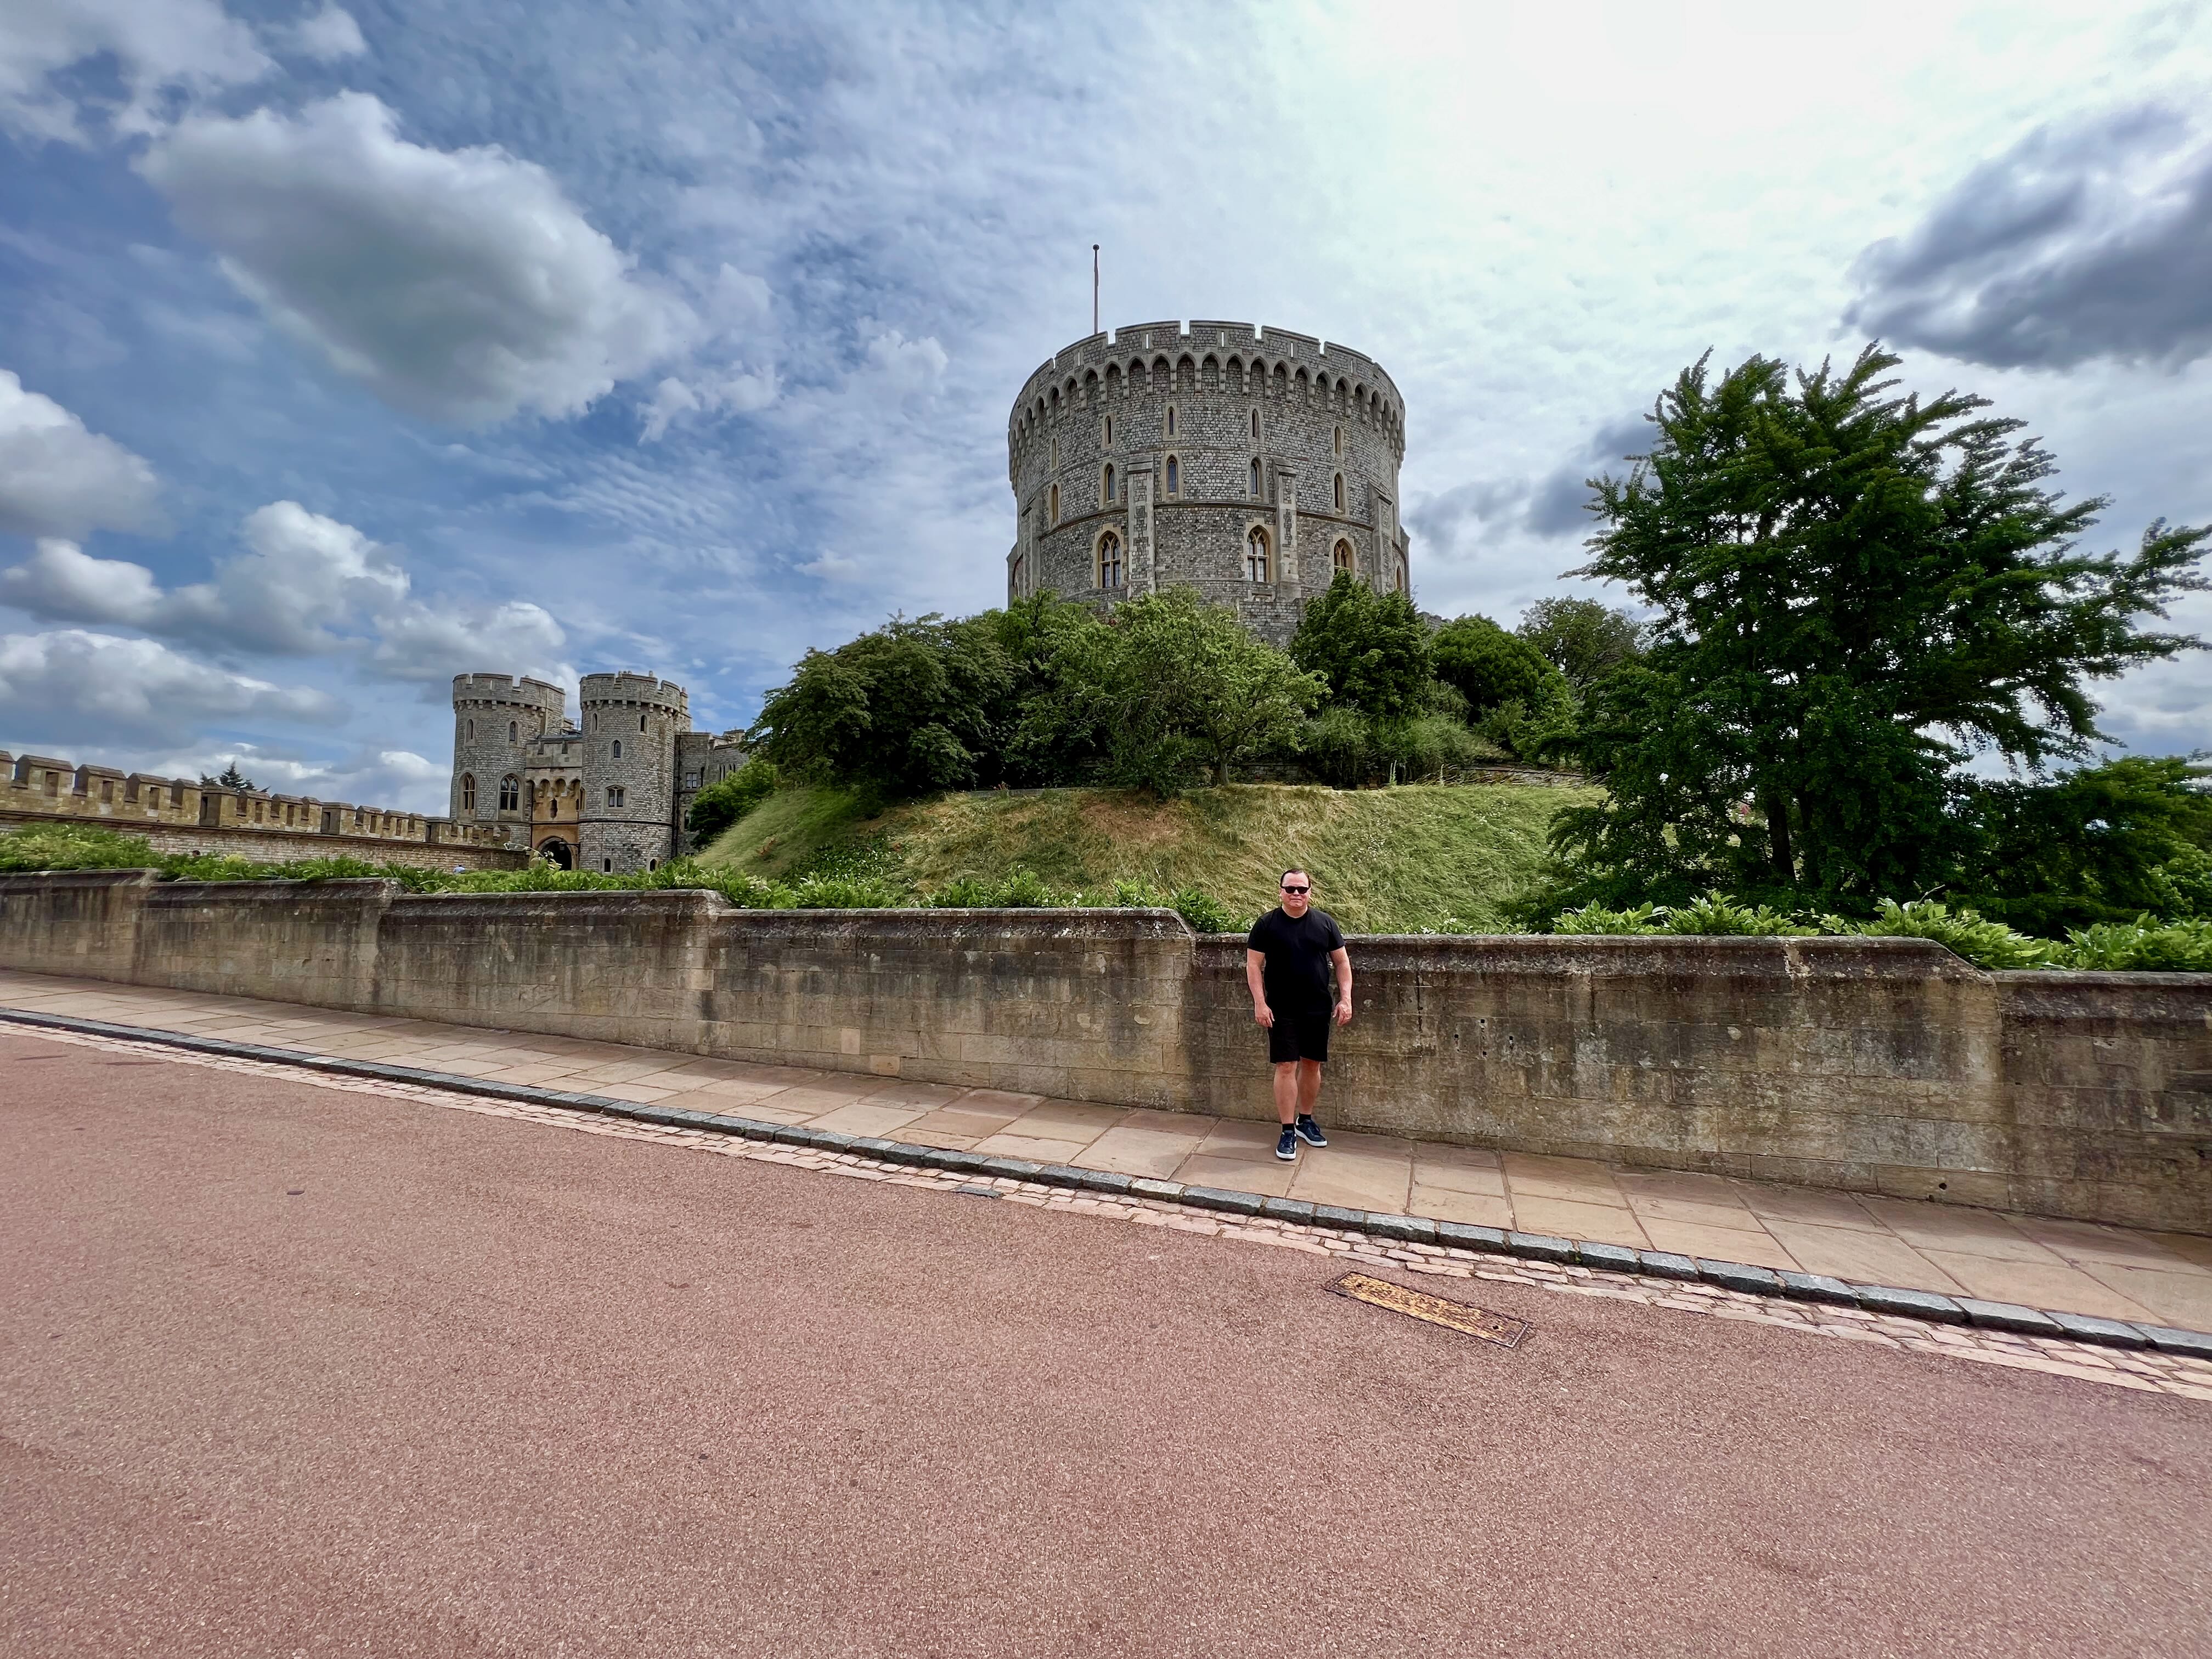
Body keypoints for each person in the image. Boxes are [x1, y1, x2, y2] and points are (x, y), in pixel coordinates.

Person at [1244, 867, 1352, 1161]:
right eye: (1290, 889)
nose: (1296, 894)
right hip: (1281, 1008)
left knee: (1312, 1065)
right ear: (1280, 891)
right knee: (1286, 1066)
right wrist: (1260, 1003)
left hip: (1317, 1006)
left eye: (1301, 889)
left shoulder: (1325, 924)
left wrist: (1346, 999)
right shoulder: (1267, 924)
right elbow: (1253, 965)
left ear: (1309, 892)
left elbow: (1342, 963)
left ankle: (1306, 1120)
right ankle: (1287, 1129)